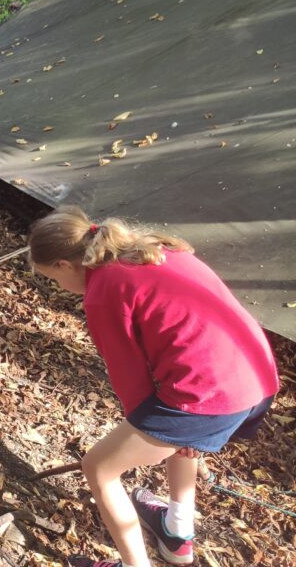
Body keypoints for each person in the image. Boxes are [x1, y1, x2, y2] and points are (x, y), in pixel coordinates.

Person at [28, 206, 279, 567]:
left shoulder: (103, 289)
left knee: (99, 468)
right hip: (256, 377)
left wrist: (176, 430)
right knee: (174, 433)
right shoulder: (156, 250)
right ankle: (177, 535)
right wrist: (183, 434)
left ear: (65, 265)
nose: (57, 284)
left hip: (211, 395)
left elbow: (132, 382)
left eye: (52, 277)